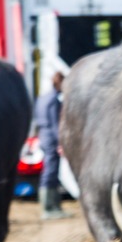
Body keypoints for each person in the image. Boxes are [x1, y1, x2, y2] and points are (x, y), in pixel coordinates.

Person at [33, 70, 70, 219]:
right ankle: (48, 208)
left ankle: (54, 206)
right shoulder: (54, 100)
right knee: (51, 171)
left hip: (43, 136)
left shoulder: (42, 98)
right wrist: (61, 143)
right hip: (51, 138)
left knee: (50, 170)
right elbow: (56, 125)